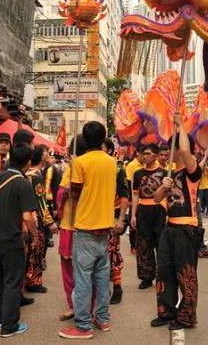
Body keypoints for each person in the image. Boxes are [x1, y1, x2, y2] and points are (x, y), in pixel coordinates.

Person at [59, 121, 117, 340]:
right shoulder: (111, 162)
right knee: (102, 277)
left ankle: (83, 325)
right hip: (105, 225)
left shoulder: (80, 162)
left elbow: (74, 194)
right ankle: (102, 318)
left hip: (85, 226)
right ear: (102, 139)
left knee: (83, 279)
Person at [150, 114, 202, 331]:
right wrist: (164, 185)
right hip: (169, 228)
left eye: (177, 147)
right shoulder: (170, 174)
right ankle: (167, 311)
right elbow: (155, 198)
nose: (175, 152)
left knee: (185, 273)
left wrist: (181, 126)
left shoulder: (192, 171)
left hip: (186, 230)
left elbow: (185, 152)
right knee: (164, 271)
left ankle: (187, 316)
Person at [0, 143, 38, 338]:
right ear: (28, 162)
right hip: (10, 238)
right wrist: (34, 234)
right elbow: (27, 217)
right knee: (13, 282)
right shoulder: (23, 183)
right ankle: (10, 326)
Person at [56, 135, 87, 321]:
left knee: (84, 269)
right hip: (69, 224)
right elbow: (60, 193)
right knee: (69, 269)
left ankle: (84, 307)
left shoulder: (88, 167)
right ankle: (74, 305)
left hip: (83, 226)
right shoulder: (69, 169)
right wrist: (67, 190)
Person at [131, 143, 166, 289]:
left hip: (159, 210)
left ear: (156, 156)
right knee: (144, 246)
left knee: (161, 245)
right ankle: (146, 277)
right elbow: (135, 195)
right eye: (143, 153)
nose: (145, 156)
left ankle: (162, 276)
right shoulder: (138, 174)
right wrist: (133, 215)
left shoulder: (164, 173)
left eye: (148, 153)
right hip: (143, 211)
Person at [25, 145, 57, 293]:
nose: (48, 155)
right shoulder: (36, 175)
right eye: (45, 152)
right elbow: (41, 201)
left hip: (27, 216)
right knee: (37, 249)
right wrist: (49, 222)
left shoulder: (28, 173)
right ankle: (33, 281)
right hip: (36, 217)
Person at [103, 138, 130, 305]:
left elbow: (124, 195)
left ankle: (117, 286)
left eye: (103, 149)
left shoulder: (118, 168)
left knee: (112, 252)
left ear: (111, 151)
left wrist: (121, 219)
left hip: (111, 217)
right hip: (94, 218)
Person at [125, 151, 144, 255]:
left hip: (144, 200)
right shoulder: (131, 165)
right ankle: (133, 246)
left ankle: (141, 245)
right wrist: (130, 200)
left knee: (142, 223)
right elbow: (128, 183)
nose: (145, 156)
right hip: (134, 198)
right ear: (138, 153)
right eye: (143, 154)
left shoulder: (147, 165)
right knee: (133, 223)